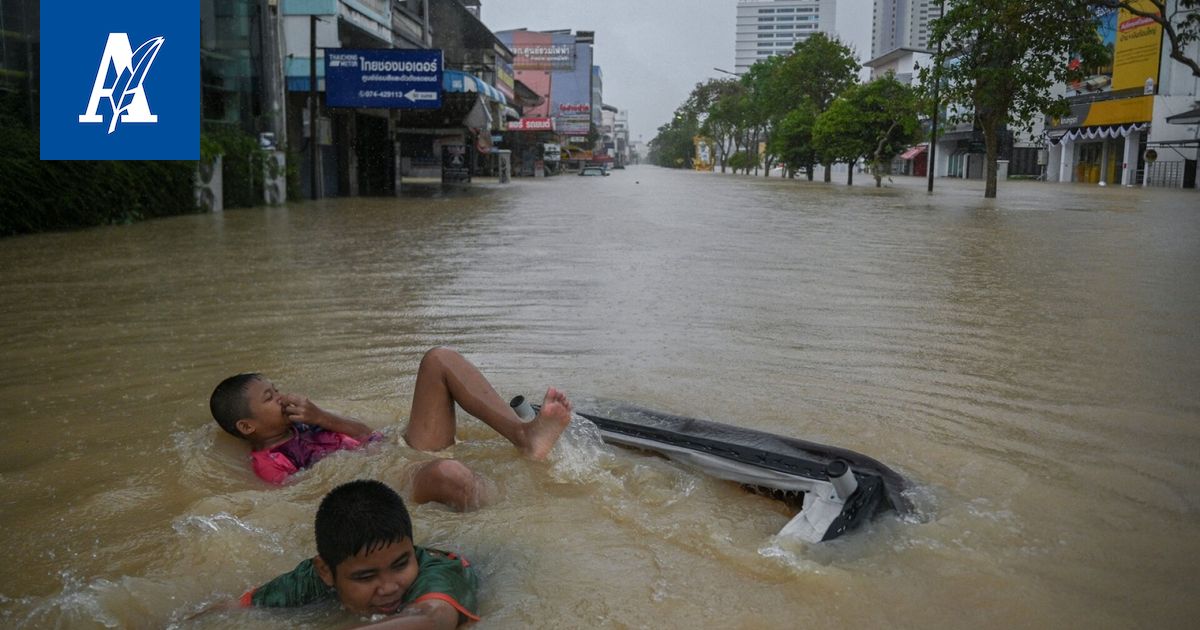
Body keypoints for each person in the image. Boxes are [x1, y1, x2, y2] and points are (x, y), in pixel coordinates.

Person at [210, 347, 573, 510]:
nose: (282, 397)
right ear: (247, 426)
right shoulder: (268, 461)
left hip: (394, 452)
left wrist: (322, 416)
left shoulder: (305, 423)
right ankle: (530, 508)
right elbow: (302, 500)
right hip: (386, 484)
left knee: (438, 359)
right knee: (450, 474)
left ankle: (524, 436)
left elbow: (366, 433)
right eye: (271, 397)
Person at [241, 479, 479, 628]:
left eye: (400, 564)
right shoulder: (311, 579)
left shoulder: (437, 574)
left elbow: (433, 619)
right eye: (366, 577)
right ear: (325, 571)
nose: (388, 588)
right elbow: (232, 611)